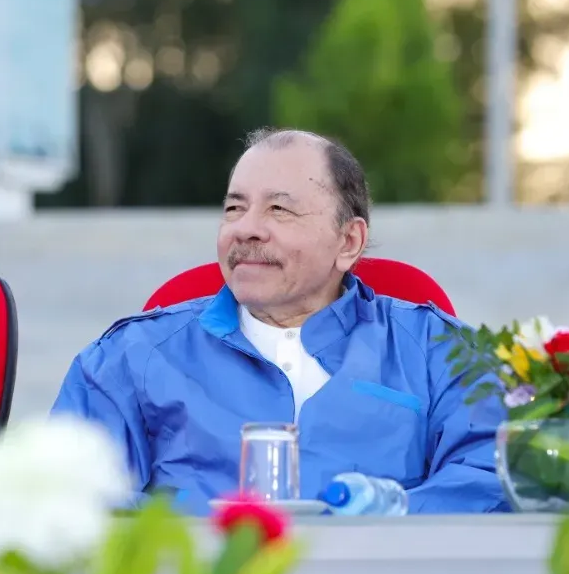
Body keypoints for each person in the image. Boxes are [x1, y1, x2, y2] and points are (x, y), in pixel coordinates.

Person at [52, 128, 506, 514]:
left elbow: (493, 478)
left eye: (279, 209)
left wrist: (377, 524)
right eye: (234, 208)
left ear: (349, 241)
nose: (245, 228)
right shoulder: (131, 357)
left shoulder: (438, 351)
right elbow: (67, 493)